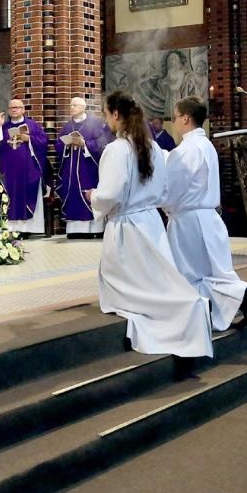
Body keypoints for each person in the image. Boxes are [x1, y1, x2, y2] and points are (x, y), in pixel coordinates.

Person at [93, 91, 213, 358]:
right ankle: (189, 308)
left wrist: (94, 197)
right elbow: (164, 187)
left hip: (127, 228)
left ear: (116, 114)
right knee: (156, 282)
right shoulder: (155, 148)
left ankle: (189, 308)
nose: (105, 120)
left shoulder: (116, 150)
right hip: (151, 222)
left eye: (106, 114)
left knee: (135, 290)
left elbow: (110, 194)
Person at [161, 97, 247, 329]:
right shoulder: (206, 145)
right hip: (209, 216)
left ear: (185, 118)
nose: (174, 122)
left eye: (175, 117)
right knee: (214, 273)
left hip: (188, 220)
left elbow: (171, 189)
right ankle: (244, 298)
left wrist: (161, 203)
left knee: (190, 275)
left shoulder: (185, 150)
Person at [0, 98, 47, 237]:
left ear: (23, 109)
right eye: (11, 108)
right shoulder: (3, 126)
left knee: (25, 195)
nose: (14, 110)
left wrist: (29, 138)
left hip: (27, 170)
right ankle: (8, 228)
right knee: (8, 196)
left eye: (17, 107)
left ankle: (25, 229)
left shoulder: (32, 125)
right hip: (7, 170)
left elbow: (43, 141)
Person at [56, 96, 112, 239]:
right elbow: (58, 144)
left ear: (83, 107)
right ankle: (74, 230)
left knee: (87, 193)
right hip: (71, 168)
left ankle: (94, 229)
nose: (71, 108)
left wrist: (84, 143)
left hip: (88, 168)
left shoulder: (94, 123)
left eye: (74, 105)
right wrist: (66, 144)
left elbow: (101, 144)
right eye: (71, 105)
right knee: (73, 195)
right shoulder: (68, 126)